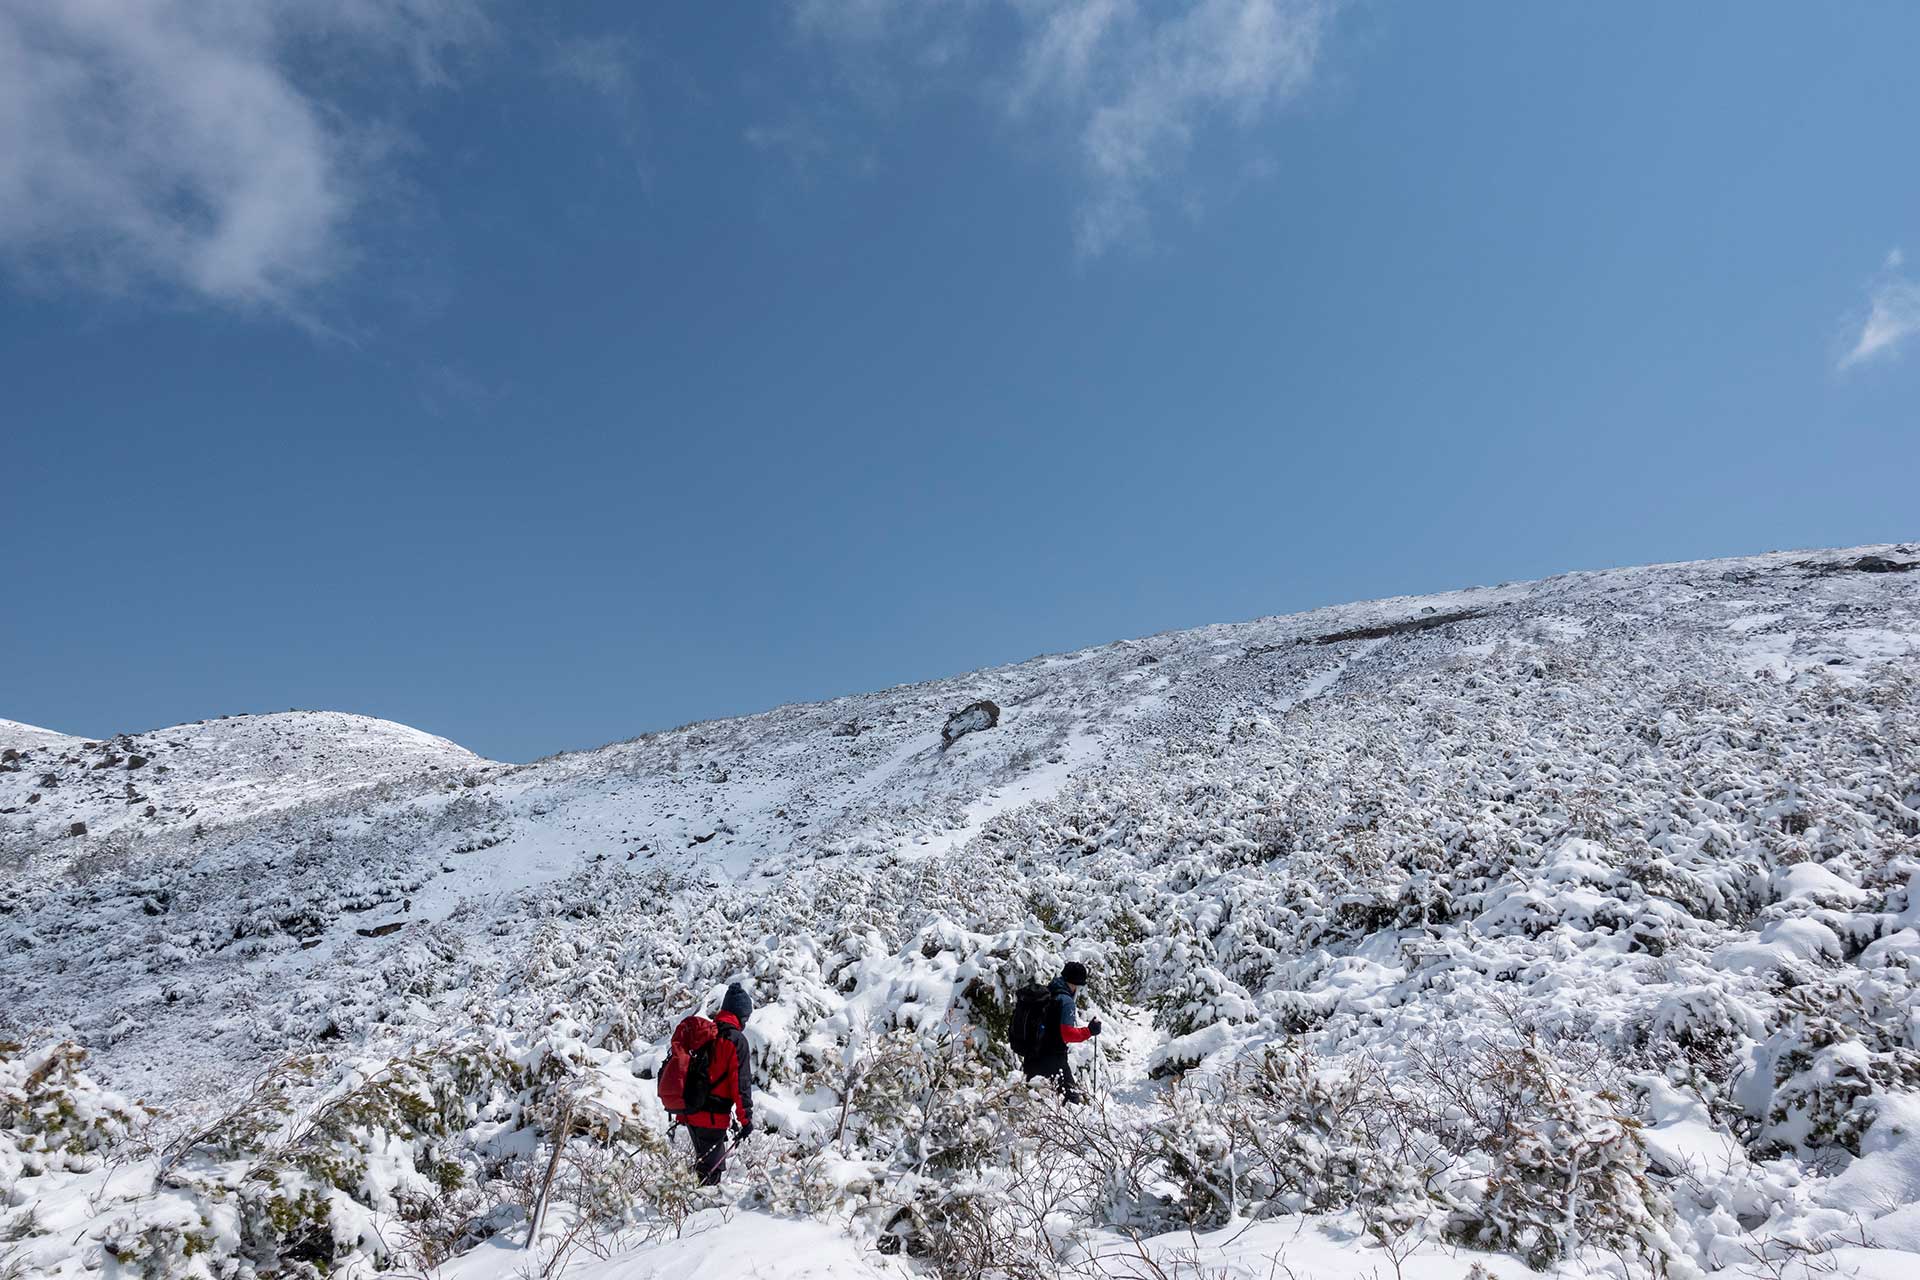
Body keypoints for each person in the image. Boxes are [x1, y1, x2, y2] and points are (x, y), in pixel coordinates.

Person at [680, 982, 756, 1185]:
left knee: (703, 1164)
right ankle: (698, 1212)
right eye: (746, 1017)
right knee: (710, 1173)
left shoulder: (708, 1033)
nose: (746, 1021)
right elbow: (741, 1085)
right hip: (711, 1117)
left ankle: (682, 1201)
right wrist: (746, 1120)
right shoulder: (735, 1041)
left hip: (690, 1110)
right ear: (740, 1015)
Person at [1022, 960, 1102, 1102]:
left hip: (1032, 1054)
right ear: (1074, 984)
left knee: (1034, 1100)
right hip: (1053, 1057)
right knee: (1072, 1100)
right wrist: (1089, 1031)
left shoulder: (1048, 991)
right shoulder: (1066, 1001)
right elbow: (1067, 1033)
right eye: (1079, 987)